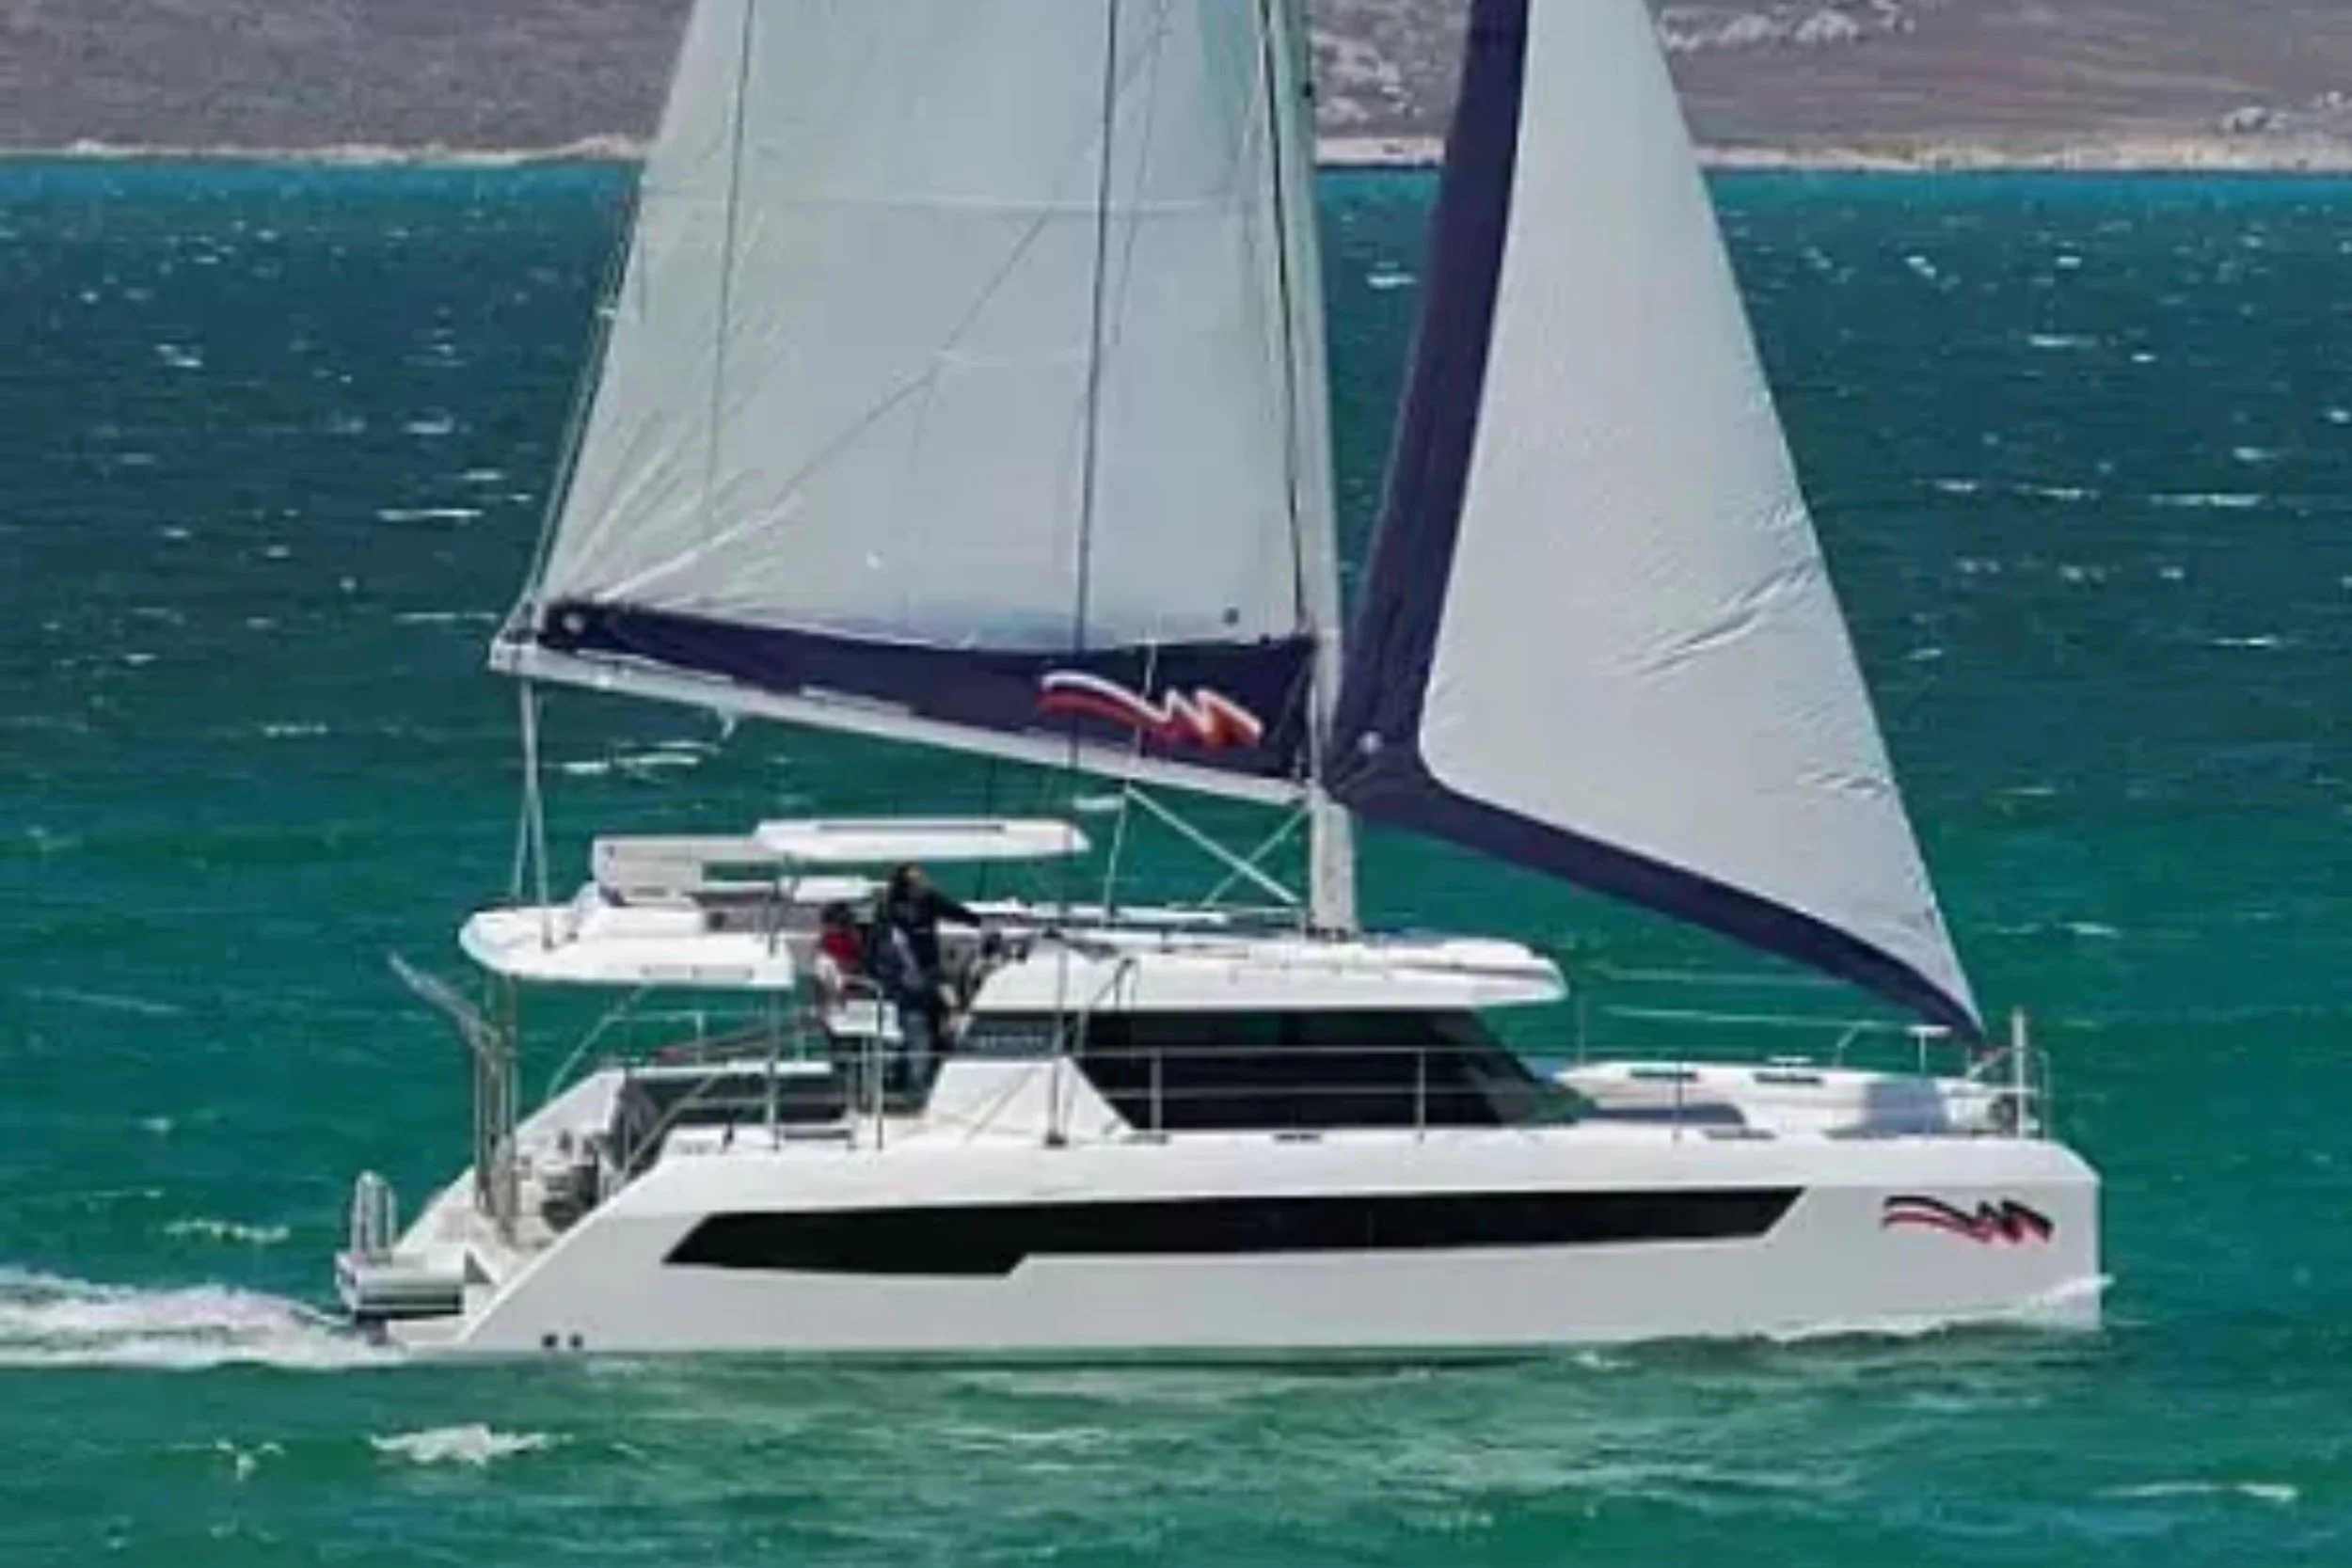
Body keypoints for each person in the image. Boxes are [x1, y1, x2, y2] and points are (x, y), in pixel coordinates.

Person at [870, 863, 979, 1087]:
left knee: (930, 1025)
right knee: (915, 1031)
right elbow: (882, 943)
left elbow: (953, 911)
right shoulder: (892, 909)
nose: (921, 885)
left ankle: (918, 1076)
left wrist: (976, 921)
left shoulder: (926, 900)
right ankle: (915, 1083)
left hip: (925, 974)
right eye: (916, 882)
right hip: (908, 980)